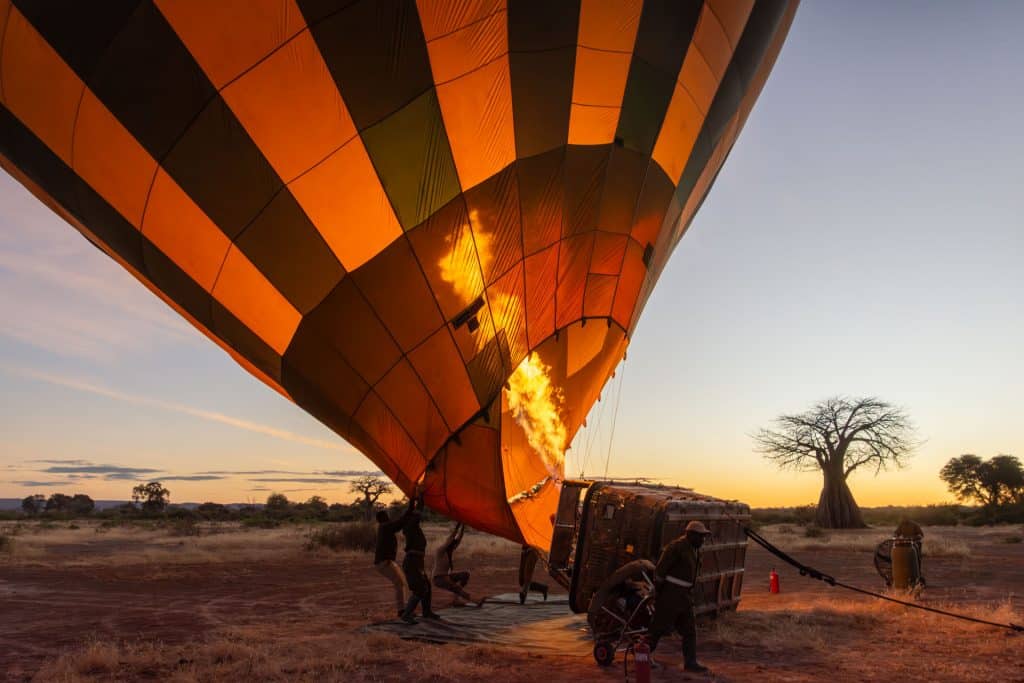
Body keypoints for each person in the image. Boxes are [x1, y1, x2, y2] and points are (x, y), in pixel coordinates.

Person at [647, 520, 713, 673]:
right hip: (671, 594)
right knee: (658, 628)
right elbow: (660, 572)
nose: (703, 540)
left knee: (689, 630)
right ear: (690, 535)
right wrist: (660, 592)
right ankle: (642, 656)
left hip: (685, 596)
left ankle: (690, 663)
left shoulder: (695, 550)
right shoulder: (676, 547)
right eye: (700, 536)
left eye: (704, 537)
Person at [399, 495, 441, 624]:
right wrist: (421, 499)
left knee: (426, 586)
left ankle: (426, 612)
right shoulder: (410, 527)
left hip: (416, 563)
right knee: (420, 589)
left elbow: (414, 514)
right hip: (412, 563)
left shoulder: (412, 529)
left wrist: (414, 501)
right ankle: (406, 614)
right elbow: (416, 514)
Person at [374, 502, 412, 617]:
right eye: (387, 516)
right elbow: (399, 523)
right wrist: (410, 509)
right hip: (384, 562)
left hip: (386, 562)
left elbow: (399, 523)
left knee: (402, 583)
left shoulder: (384, 527)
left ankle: (404, 608)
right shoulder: (386, 527)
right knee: (399, 584)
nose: (389, 518)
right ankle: (402, 610)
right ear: (384, 518)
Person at [432, 523, 485, 607]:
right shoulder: (441, 550)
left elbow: (458, 539)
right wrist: (457, 526)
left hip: (446, 576)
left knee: (465, 575)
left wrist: (463, 527)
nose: (454, 546)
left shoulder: (449, 551)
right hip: (439, 578)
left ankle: (456, 599)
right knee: (456, 588)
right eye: (453, 545)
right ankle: (475, 600)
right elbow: (450, 539)